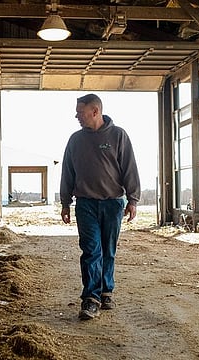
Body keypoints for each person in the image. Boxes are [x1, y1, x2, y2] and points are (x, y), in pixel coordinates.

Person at [60, 93, 140, 320]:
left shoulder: (118, 135)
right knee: (91, 250)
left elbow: (129, 168)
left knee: (108, 249)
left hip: (113, 203)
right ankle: (91, 298)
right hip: (85, 203)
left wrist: (132, 200)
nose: (76, 116)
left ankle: (107, 291)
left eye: (80, 112)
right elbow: (68, 172)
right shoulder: (75, 140)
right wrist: (65, 202)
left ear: (95, 111)